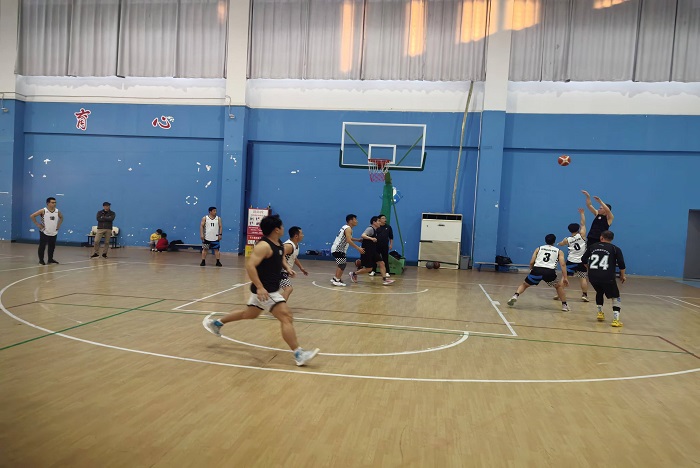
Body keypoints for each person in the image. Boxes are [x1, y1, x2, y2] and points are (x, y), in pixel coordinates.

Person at [203, 215, 320, 367]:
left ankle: (217, 323)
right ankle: (299, 353)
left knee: (249, 314)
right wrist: (259, 287)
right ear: (276, 229)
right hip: (266, 290)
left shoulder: (278, 243)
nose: (283, 228)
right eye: (282, 226)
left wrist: (287, 268)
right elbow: (250, 265)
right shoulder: (263, 246)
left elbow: (280, 258)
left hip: (267, 289)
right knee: (286, 317)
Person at [507, 234, 570, 311]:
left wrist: (531, 270)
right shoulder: (559, 251)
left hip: (537, 270)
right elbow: (563, 264)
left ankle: (515, 295)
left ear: (545, 240)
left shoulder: (539, 248)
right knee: (558, 287)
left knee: (525, 285)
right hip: (549, 272)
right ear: (554, 241)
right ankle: (564, 305)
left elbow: (531, 262)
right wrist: (565, 277)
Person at [581, 230, 627, 327]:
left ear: (601, 237)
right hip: (607, 276)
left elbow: (583, 259)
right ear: (612, 239)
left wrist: (589, 268)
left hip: (593, 276)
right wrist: (623, 275)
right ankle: (616, 320)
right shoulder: (615, 249)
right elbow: (621, 264)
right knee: (615, 296)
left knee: (599, 292)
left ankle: (600, 313)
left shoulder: (592, 246)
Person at [554, 208, 589, 302]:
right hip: (581, 261)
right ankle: (584, 295)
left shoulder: (567, 239)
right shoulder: (582, 235)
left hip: (571, 261)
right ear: (578, 229)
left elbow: (561, 244)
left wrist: (559, 243)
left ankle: (559, 294)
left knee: (564, 277)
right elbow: (583, 223)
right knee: (583, 278)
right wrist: (582, 213)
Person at [350, 216, 394, 286]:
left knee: (382, 263)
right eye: (378, 221)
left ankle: (385, 280)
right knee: (369, 269)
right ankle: (353, 273)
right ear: (374, 222)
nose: (380, 222)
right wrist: (371, 238)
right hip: (367, 252)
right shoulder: (370, 228)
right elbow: (363, 235)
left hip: (373, 251)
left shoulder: (375, 230)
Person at [330, 214, 364, 286]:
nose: (357, 221)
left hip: (336, 248)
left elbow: (348, 238)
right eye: (355, 219)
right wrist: (358, 248)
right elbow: (348, 240)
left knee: (341, 264)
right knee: (342, 264)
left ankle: (335, 278)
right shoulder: (348, 229)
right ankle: (337, 280)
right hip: (339, 249)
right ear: (350, 221)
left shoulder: (345, 227)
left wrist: (357, 240)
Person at [30, 197, 63, 265]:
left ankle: (50, 259)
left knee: (52, 246)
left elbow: (61, 217)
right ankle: (41, 260)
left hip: (53, 232)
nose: (54, 204)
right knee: (42, 246)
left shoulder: (57, 211)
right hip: (44, 231)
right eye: (52, 202)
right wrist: (37, 224)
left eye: (55, 202)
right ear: (48, 203)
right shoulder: (43, 210)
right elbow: (32, 216)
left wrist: (58, 225)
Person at [280, 226, 309, 301]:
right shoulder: (288, 246)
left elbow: (294, 257)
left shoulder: (296, 245)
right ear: (296, 236)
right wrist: (287, 268)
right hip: (279, 270)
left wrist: (301, 268)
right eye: (301, 234)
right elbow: (280, 256)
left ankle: (277, 303)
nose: (303, 235)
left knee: (285, 289)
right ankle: (279, 304)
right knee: (288, 288)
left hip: (284, 271)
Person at [373, 214, 394, 278]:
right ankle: (373, 271)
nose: (385, 219)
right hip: (376, 245)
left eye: (385, 218)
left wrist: (391, 244)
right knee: (375, 258)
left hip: (384, 245)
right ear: (379, 219)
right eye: (383, 218)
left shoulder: (388, 227)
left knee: (385, 259)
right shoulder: (377, 227)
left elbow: (391, 237)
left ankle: (387, 272)